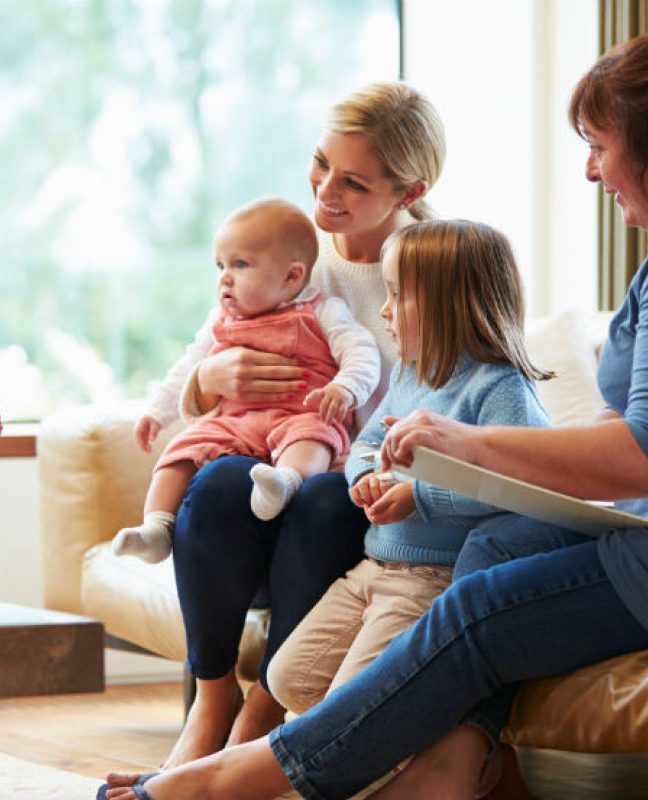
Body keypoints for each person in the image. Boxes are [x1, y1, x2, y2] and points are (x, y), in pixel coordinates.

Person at [99, 15, 648, 800]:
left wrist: (467, 444)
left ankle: (237, 778)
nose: (592, 172)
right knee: (500, 543)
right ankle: (458, 764)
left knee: (486, 607)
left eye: (599, 147)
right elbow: (638, 427)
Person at [108, 81, 447, 774]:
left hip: (358, 485)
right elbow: (206, 360)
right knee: (222, 481)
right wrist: (208, 382)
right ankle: (212, 697)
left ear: (408, 190)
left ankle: (263, 710)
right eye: (321, 163)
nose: (325, 191)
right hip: (263, 467)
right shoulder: (292, 252)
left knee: (324, 500)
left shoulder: (433, 267)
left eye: (352, 182)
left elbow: (455, 396)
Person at [267, 219, 551, 722]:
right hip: (372, 567)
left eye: (397, 295)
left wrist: (419, 496)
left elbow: (520, 488)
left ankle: (362, 762)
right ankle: (383, 746)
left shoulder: (501, 388)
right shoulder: (410, 374)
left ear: (451, 304)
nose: (383, 310)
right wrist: (365, 478)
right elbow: (365, 446)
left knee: (348, 705)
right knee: (286, 678)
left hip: (430, 581)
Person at [112, 198, 380, 564]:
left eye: (240, 265)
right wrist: (157, 412)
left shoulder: (322, 310)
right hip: (236, 423)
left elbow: (362, 352)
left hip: (299, 413)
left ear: (292, 276)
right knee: (185, 448)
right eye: (220, 264)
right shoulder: (220, 319)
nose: (224, 277)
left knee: (315, 437)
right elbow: (189, 363)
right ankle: (157, 527)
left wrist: (346, 387)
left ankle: (285, 482)